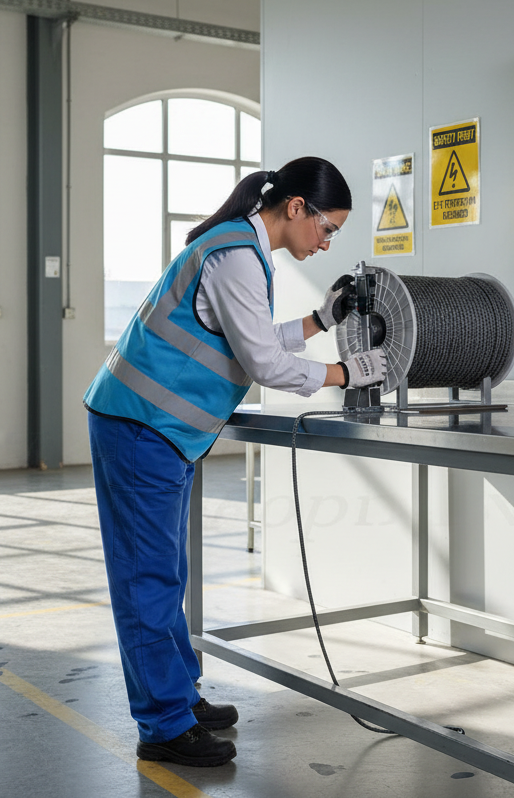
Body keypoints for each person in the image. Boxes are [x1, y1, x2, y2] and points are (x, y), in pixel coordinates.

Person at [83, 157, 387, 767]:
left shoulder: (244, 250)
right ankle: (163, 727)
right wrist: (348, 371)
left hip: (157, 428)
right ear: (296, 207)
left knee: (166, 572)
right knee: (147, 580)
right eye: (327, 227)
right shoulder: (236, 255)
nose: (327, 242)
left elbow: (247, 337)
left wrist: (322, 321)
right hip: (141, 425)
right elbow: (265, 363)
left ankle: (178, 695)